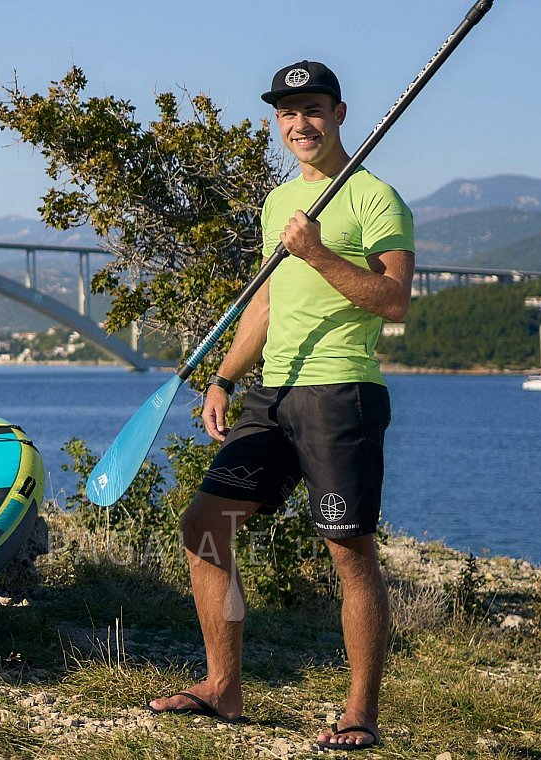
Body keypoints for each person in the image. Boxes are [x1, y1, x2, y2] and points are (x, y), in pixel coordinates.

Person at [148, 60, 415, 752]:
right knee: (205, 524)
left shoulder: (375, 199)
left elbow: (395, 302)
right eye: (288, 112)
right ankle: (221, 686)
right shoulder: (277, 203)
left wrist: (321, 255)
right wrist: (224, 378)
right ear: (277, 121)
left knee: (348, 550)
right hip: (273, 390)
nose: (301, 123)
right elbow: (266, 301)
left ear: (340, 114)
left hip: (341, 392)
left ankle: (360, 713)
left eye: (314, 110)